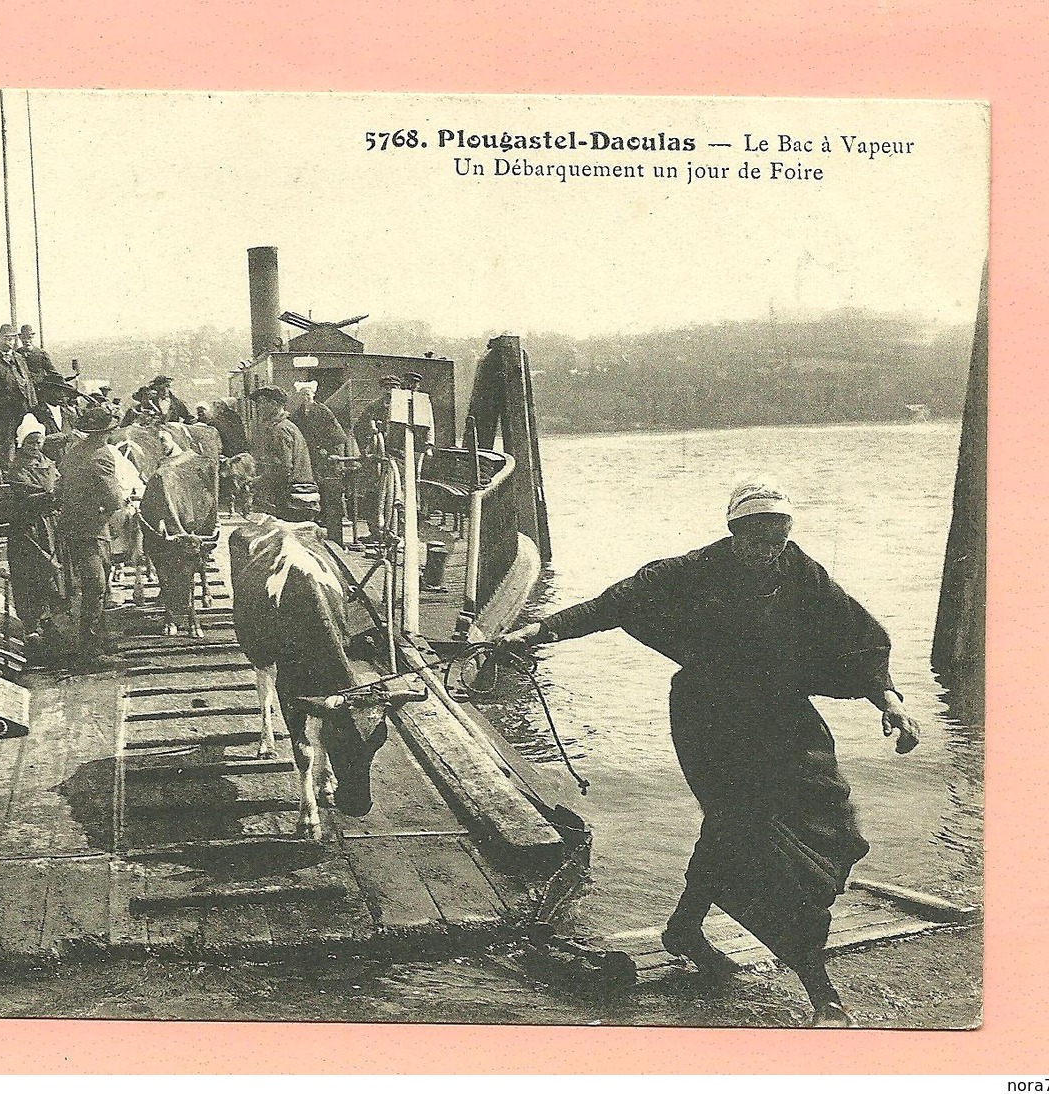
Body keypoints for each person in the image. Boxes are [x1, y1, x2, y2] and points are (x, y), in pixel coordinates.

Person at [502, 480, 921, 1027]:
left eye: (779, 536)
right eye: (757, 537)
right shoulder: (694, 570)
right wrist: (538, 631)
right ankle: (821, 993)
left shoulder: (801, 572)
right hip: (712, 719)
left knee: (833, 824)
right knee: (747, 831)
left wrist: (889, 701)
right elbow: (615, 603)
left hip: (781, 714)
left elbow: (857, 637)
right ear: (734, 532)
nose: (769, 549)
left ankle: (683, 929)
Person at [56, 403, 132, 660]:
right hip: (92, 528)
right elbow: (113, 498)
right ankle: (89, 646)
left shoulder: (74, 451)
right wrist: (112, 510)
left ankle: (94, 635)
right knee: (96, 584)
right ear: (105, 432)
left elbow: (60, 488)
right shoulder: (102, 455)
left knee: (90, 582)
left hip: (71, 525)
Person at [6, 414, 63, 644]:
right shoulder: (17, 468)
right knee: (29, 574)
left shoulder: (49, 463)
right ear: (22, 443)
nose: (35, 447)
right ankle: (31, 623)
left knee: (51, 573)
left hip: (49, 524)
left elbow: (59, 483)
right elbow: (25, 494)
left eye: (38, 442)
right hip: (27, 528)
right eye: (30, 442)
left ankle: (50, 618)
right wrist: (51, 494)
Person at [289, 379, 357, 545]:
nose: (306, 397)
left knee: (330, 498)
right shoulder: (297, 414)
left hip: (325, 460)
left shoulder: (323, 411)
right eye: (303, 394)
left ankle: (335, 539)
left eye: (308, 394)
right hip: (307, 459)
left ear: (313, 395)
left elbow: (338, 436)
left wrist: (327, 449)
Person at [247, 385, 317, 521]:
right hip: (297, 495)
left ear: (273, 405)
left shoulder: (280, 430)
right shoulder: (285, 426)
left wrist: (256, 482)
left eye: (261, 403)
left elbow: (282, 469)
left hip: (293, 499)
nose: (258, 408)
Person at [0, 322, 39, 465]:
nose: (9, 342)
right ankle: (7, 470)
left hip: (22, 406)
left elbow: (27, 381)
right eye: (6, 338)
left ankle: (23, 467)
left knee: (24, 437)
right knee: (6, 440)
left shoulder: (19, 358)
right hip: (3, 408)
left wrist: (32, 404)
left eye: (12, 339)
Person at [353, 374, 403, 541]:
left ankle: (396, 534)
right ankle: (375, 532)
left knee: (397, 496)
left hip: (398, 458)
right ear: (382, 389)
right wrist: (367, 446)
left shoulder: (405, 408)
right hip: (376, 459)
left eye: (393, 388)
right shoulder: (373, 407)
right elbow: (358, 429)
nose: (390, 391)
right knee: (373, 495)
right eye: (387, 388)